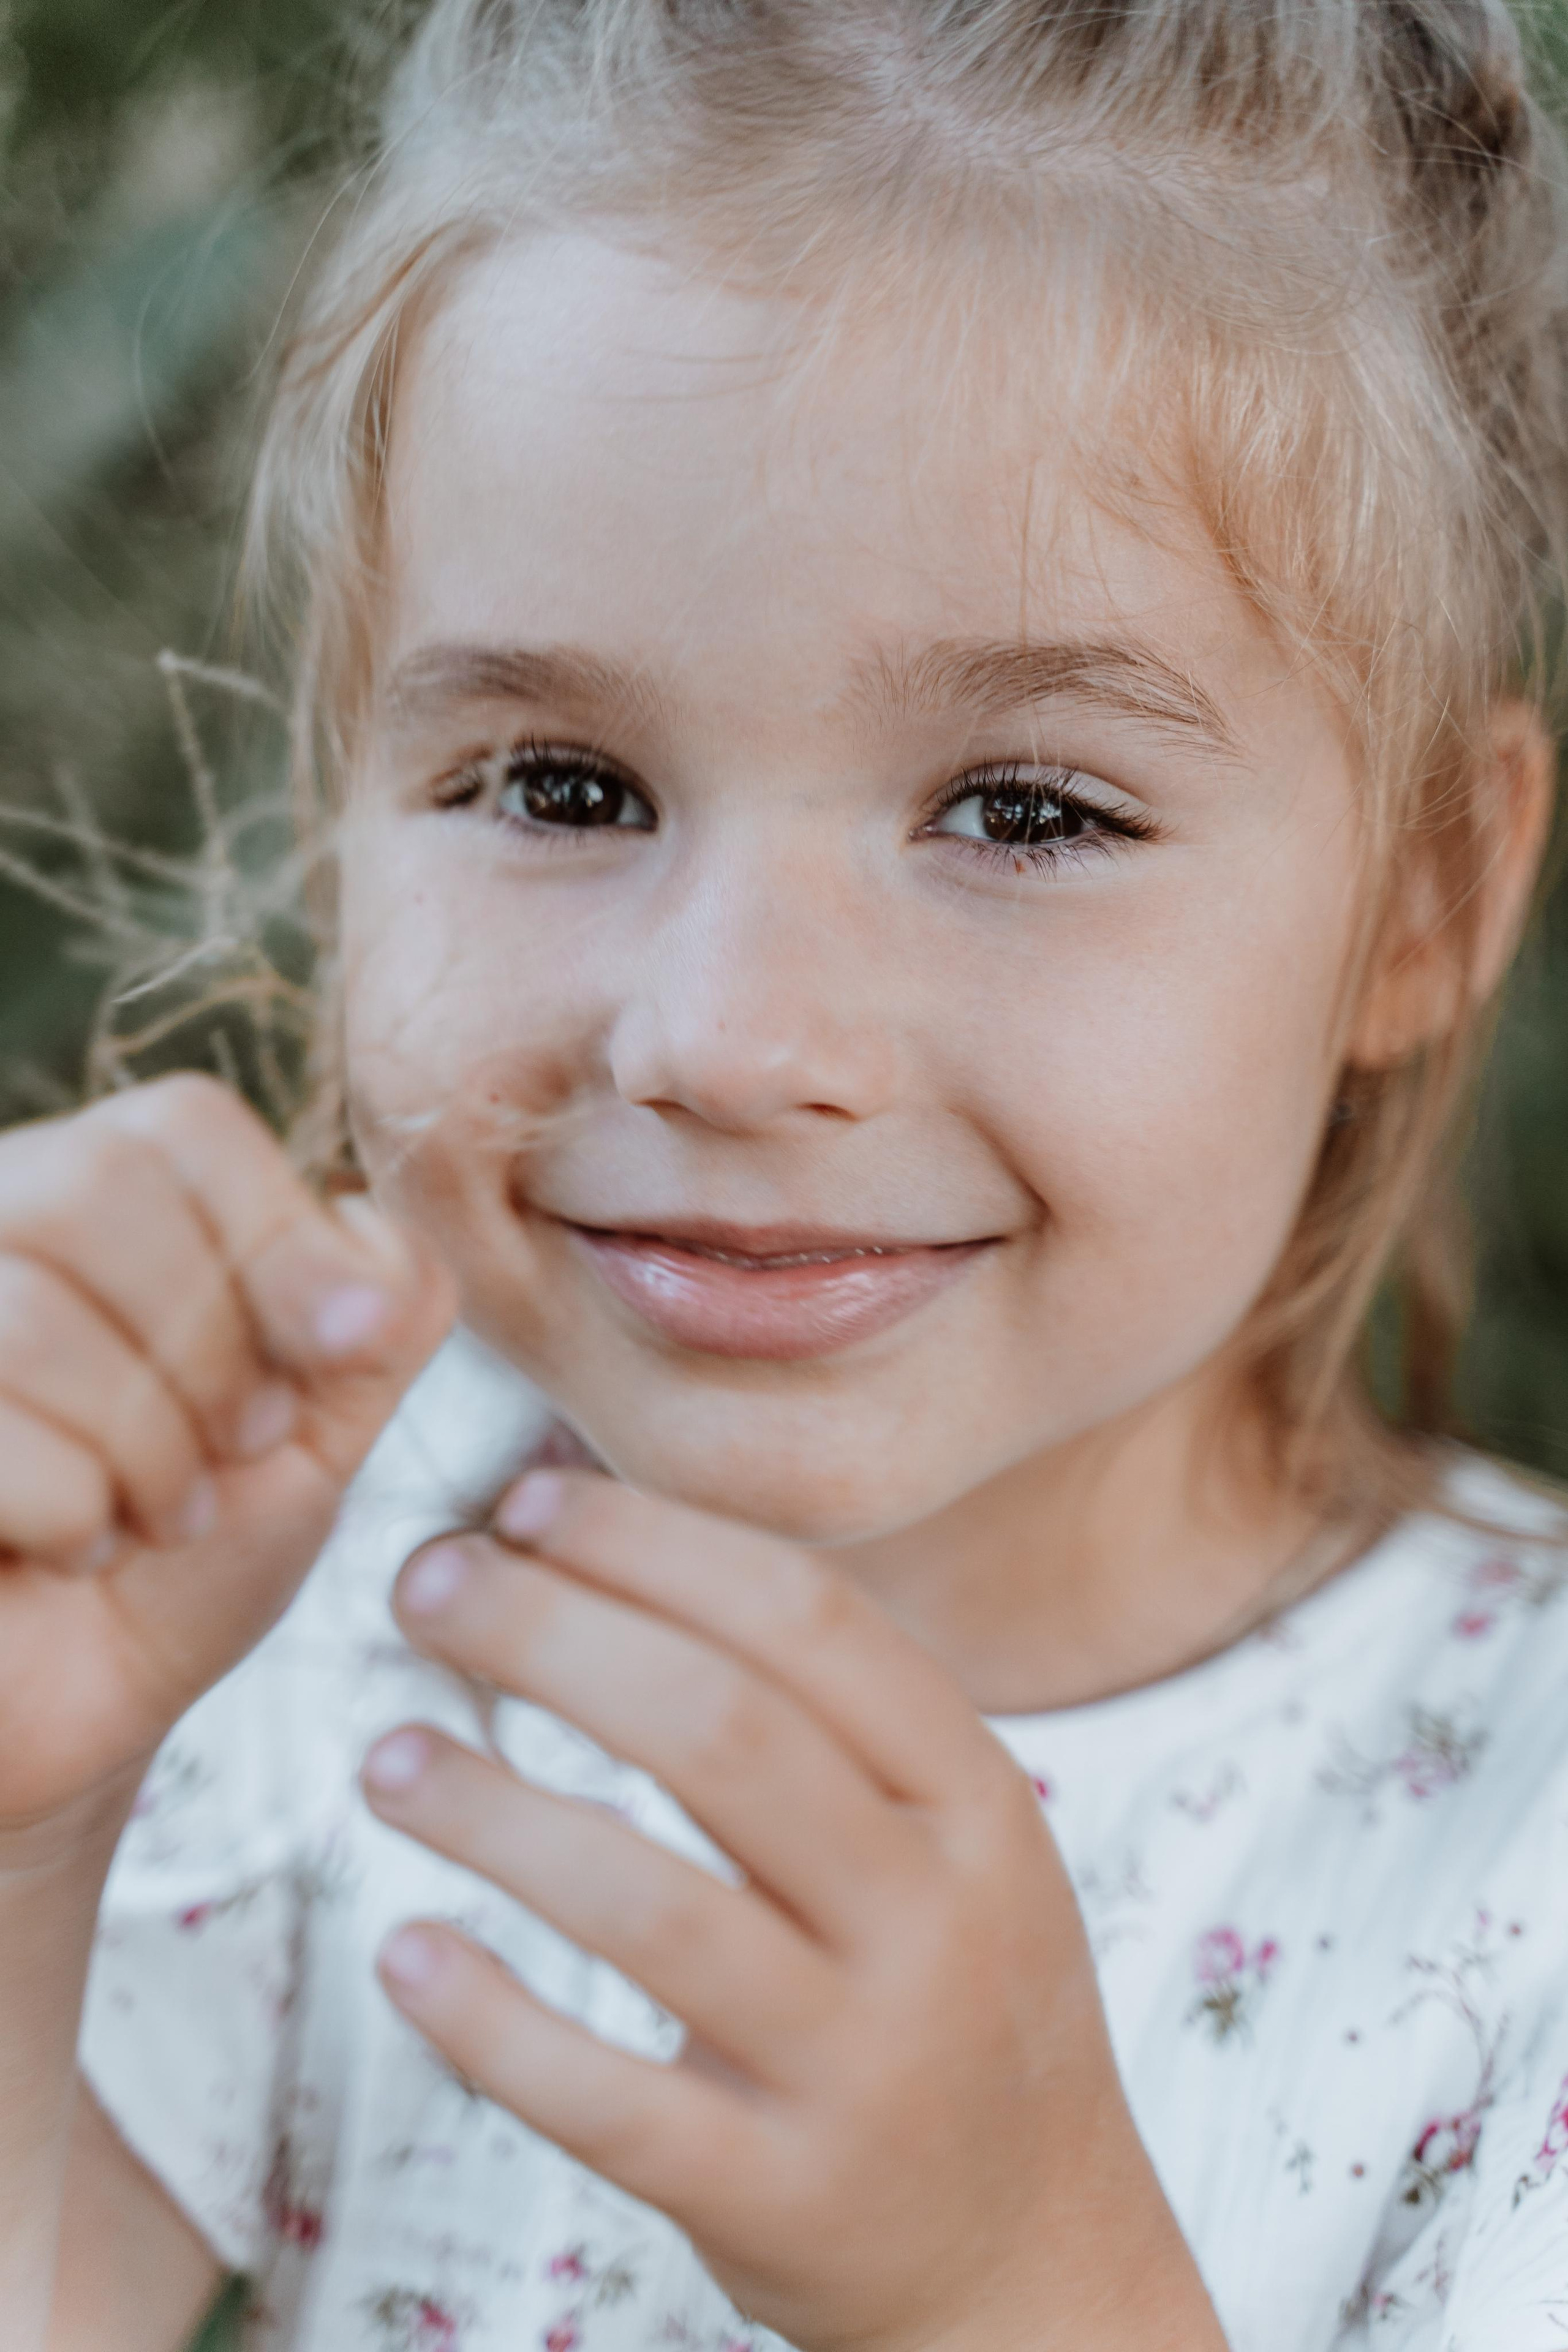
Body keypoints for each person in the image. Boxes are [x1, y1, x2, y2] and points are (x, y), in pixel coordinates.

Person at [6, 1, 1568, 2343]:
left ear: (1427, 899)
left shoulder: (1520, 1857)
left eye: (1028, 813)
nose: (728, 1038)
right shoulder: (302, 1605)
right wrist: (34, 1840)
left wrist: (1018, 2285)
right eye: (561, 785)